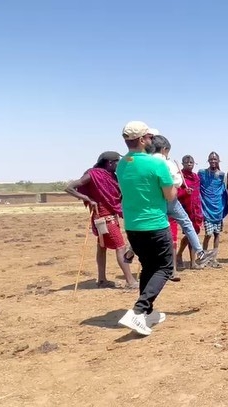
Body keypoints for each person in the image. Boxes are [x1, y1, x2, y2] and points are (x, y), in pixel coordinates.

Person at [115, 121, 175, 336]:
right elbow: (170, 196)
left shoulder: (122, 164)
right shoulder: (157, 165)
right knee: (165, 268)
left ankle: (147, 313)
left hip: (133, 226)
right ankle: (138, 311)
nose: (152, 140)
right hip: (155, 224)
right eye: (149, 137)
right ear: (141, 140)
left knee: (149, 267)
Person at [65, 151, 138, 289]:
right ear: (110, 163)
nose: (119, 164)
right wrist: (87, 199)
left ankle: (102, 280)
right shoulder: (94, 174)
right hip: (103, 216)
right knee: (120, 247)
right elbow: (69, 187)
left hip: (109, 215)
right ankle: (130, 281)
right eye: (117, 162)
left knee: (102, 246)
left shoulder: (113, 176)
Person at [150, 133, 214, 281]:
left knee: (148, 227)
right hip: (170, 200)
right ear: (165, 149)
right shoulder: (167, 163)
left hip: (154, 201)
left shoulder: (146, 162)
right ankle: (200, 253)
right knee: (186, 224)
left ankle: (131, 251)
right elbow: (178, 182)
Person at [176, 155, 209, 270]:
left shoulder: (196, 177)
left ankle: (179, 254)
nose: (189, 164)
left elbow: (198, 194)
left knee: (192, 235)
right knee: (191, 234)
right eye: (186, 162)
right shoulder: (179, 177)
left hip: (196, 210)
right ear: (182, 163)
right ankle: (192, 262)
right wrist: (185, 192)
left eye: (191, 162)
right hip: (185, 210)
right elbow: (175, 194)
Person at [198, 152, 228, 268]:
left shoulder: (222, 175)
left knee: (217, 234)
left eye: (215, 159)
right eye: (211, 159)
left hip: (218, 208)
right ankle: (204, 258)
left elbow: (225, 191)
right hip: (206, 208)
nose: (213, 161)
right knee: (208, 234)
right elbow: (198, 188)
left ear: (218, 161)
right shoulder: (202, 173)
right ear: (208, 160)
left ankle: (214, 259)